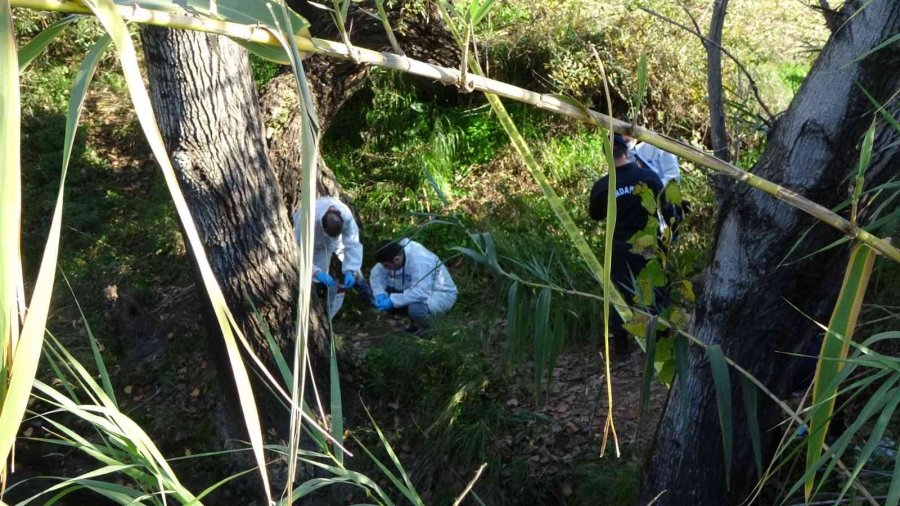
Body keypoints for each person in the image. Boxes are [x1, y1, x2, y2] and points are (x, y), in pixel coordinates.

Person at [589, 134, 673, 356]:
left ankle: (621, 346)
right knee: (654, 290)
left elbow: (595, 215)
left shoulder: (602, 186)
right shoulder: (648, 177)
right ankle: (661, 342)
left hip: (618, 249)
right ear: (626, 151)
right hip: (648, 245)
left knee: (621, 294)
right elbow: (667, 208)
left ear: (606, 156)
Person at [293, 196, 373, 306]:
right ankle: (317, 300)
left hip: (337, 242)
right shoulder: (306, 220)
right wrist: (315, 272)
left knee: (354, 270)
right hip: (314, 245)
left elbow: (353, 244)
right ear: (323, 226)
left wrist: (350, 270)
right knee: (314, 277)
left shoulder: (346, 216)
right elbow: (298, 251)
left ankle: (370, 300)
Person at [369, 238, 457, 334]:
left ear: (396, 259)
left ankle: (435, 330)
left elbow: (421, 292)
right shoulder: (394, 254)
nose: (385, 268)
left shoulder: (419, 261)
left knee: (416, 310)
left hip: (440, 293)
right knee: (390, 294)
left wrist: (392, 301)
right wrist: (379, 294)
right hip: (417, 289)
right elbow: (376, 274)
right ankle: (415, 323)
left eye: (386, 265)